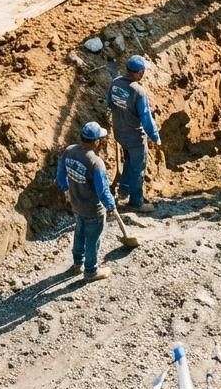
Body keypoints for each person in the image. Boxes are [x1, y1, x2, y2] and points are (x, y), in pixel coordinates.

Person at [56, 121, 117, 282]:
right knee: (92, 240)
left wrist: (65, 189)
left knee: (79, 233)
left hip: (76, 205)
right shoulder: (96, 163)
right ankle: (91, 271)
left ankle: (77, 263)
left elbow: (60, 174)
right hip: (93, 210)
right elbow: (102, 190)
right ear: (96, 141)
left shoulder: (69, 152)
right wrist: (111, 205)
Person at [107, 55, 162, 213]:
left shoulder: (115, 83)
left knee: (129, 161)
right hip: (135, 137)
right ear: (138, 72)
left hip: (119, 133)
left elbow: (109, 103)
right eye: (143, 71)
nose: (143, 74)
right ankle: (136, 202)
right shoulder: (138, 92)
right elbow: (146, 118)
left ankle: (123, 190)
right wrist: (155, 137)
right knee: (138, 168)